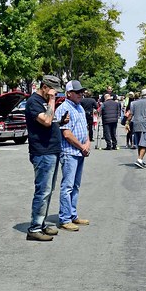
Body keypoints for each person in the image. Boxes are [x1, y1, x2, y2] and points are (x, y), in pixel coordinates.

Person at [24, 75, 65, 242]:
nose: (55, 94)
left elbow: (50, 121)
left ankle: (41, 224)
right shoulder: (33, 102)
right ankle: (34, 228)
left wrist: (60, 121)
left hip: (51, 150)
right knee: (43, 191)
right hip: (42, 152)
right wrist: (52, 100)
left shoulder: (43, 102)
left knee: (48, 190)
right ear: (45, 87)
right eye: (53, 91)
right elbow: (46, 121)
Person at [54, 80, 91, 231]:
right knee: (68, 186)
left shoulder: (79, 107)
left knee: (75, 186)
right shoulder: (63, 108)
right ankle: (65, 218)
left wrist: (87, 142)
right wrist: (82, 147)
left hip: (80, 151)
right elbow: (67, 134)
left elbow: (85, 128)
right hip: (69, 152)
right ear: (69, 93)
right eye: (77, 92)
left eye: (81, 91)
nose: (81, 94)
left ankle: (72, 214)